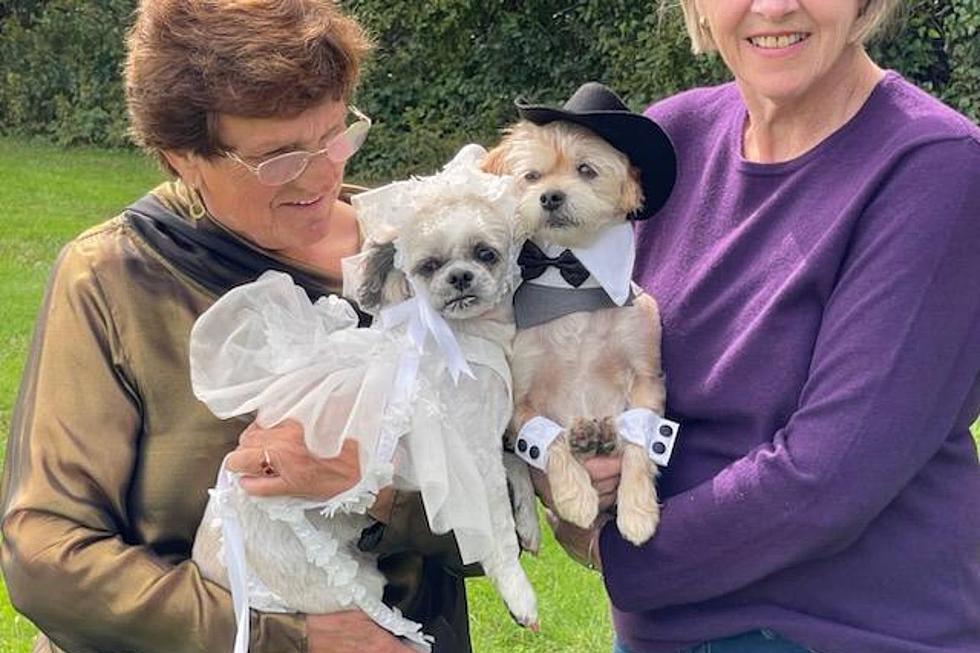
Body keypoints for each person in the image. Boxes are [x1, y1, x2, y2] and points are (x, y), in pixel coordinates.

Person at [0, 1, 473, 652]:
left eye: (336, 133)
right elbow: (47, 554)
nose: (323, 175)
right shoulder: (113, 279)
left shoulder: (418, 252)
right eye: (278, 157)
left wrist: (374, 494)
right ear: (181, 157)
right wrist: (288, 638)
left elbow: (492, 522)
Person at [542, 2, 980, 653]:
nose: (773, 6)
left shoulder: (934, 166)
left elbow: (827, 481)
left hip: (844, 631)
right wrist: (560, 470)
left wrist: (617, 551)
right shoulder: (670, 139)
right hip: (658, 633)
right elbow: (569, 341)